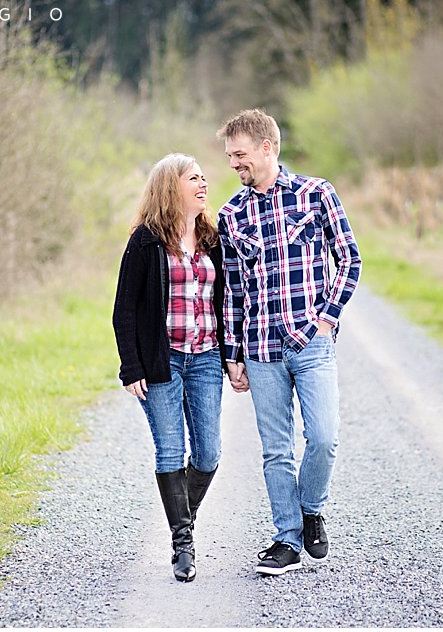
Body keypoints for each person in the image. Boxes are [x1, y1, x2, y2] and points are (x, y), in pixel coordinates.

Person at [216, 109, 362, 576]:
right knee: (276, 450)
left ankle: (310, 510)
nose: (234, 164)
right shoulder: (230, 215)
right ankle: (286, 540)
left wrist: (326, 319)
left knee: (323, 438)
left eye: (240, 154)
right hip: (259, 351)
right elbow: (233, 291)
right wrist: (232, 356)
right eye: (229, 157)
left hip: (311, 343)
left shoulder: (317, 195)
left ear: (267, 147)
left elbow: (350, 260)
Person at [112, 153, 231, 583]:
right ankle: (184, 544)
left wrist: (232, 354)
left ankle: (184, 517)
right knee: (169, 451)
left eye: (203, 177)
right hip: (163, 361)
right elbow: (123, 310)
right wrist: (131, 367)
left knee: (209, 453)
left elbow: (229, 301)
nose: (203, 183)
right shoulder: (145, 241)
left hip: (205, 358)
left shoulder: (213, 238)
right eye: (193, 178)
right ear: (170, 187)